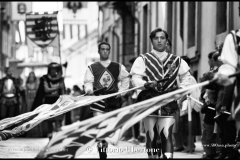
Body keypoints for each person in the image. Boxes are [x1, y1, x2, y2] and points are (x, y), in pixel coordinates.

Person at [130, 28, 192, 159]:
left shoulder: (176, 60)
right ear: (152, 40)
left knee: (166, 134)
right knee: (151, 134)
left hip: (168, 101)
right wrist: (145, 84)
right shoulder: (143, 59)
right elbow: (135, 78)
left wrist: (181, 89)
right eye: (156, 38)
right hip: (149, 100)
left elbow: (186, 77)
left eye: (162, 38)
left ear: (166, 40)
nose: (159, 40)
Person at [83, 41, 130, 158]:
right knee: (101, 130)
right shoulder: (92, 67)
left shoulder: (117, 66)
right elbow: (88, 82)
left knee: (110, 129)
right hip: (98, 101)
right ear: (99, 51)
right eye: (102, 49)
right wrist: (89, 90)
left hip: (113, 100)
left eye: (107, 49)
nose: (105, 51)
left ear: (109, 51)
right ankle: (102, 154)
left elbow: (126, 78)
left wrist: (122, 92)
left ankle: (106, 149)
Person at [214, 29, 240, 158]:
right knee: (224, 132)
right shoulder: (224, 69)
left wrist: (224, 105)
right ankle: (226, 152)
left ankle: (229, 152)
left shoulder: (227, 69)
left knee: (228, 132)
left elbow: (228, 88)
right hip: (226, 105)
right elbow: (224, 88)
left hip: (228, 104)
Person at [31, 62, 66, 138]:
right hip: (48, 101)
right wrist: (57, 87)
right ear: (49, 70)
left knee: (57, 120)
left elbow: (63, 90)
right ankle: (49, 135)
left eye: (55, 69)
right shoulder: (45, 78)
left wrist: (64, 99)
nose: (53, 71)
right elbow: (46, 90)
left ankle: (58, 137)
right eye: (52, 69)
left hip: (58, 101)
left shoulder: (60, 79)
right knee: (49, 120)